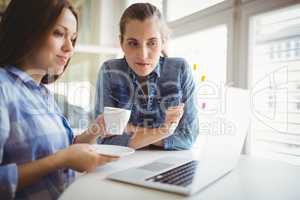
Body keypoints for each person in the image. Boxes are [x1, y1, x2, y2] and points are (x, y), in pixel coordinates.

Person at [0, 0, 117, 199]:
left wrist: (95, 130)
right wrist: (61, 160)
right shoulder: (3, 87)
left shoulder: (42, 93)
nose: (69, 48)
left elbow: (59, 150)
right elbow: (59, 157)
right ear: (27, 30)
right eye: (59, 33)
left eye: (72, 38)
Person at [95, 3, 199, 150]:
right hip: (122, 163)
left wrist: (130, 129)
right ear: (121, 43)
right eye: (133, 43)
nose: (143, 55)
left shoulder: (180, 69)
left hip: (169, 161)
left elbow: (187, 138)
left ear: (163, 42)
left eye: (152, 43)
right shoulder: (110, 71)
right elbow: (103, 139)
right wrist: (163, 132)